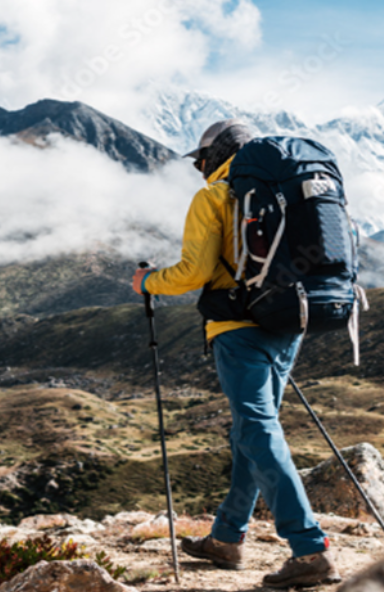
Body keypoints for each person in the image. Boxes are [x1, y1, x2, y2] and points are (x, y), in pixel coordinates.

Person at [131, 119, 341, 589]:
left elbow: (193, 272)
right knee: (251, 431)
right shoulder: (280, 189)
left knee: (257, 431)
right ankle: (227, 538)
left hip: (238, 329)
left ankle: (310, 551)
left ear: (213, 156)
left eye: (199, 160)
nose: (198, 169)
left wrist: (148, 282)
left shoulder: (215, 196)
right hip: (289, 321)